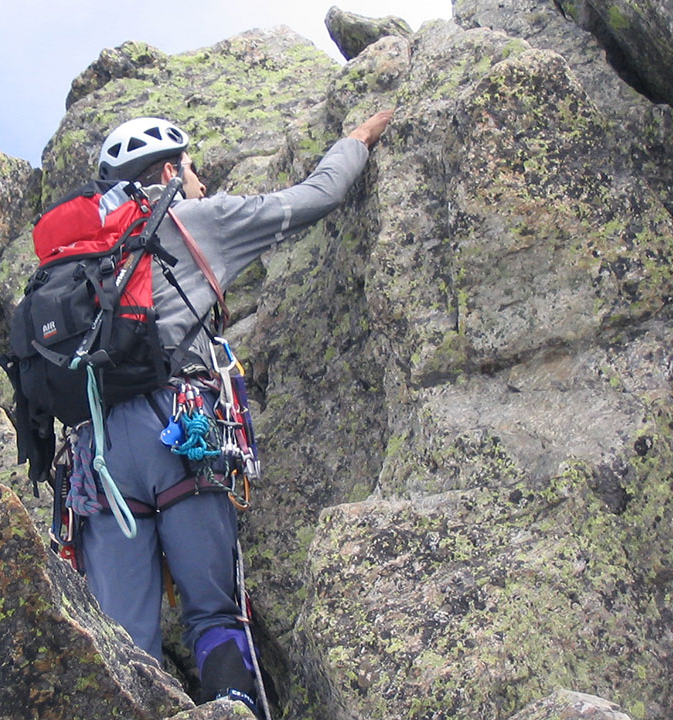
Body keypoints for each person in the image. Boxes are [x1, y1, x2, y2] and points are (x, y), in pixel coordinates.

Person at [79, 110, 392, 712]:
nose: (199, 179)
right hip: (181, 431)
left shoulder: (83, 253)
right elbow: (314, 198)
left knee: (122, 646)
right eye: (191, 168)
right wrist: (358, 141)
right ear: (169, 169)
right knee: (215, 611)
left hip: (97, 458)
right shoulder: (198, 220)